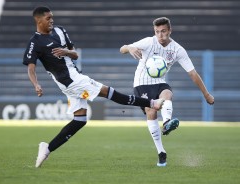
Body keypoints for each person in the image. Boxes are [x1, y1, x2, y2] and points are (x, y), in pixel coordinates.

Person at [23, 6, 165, 168]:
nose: (52, 20)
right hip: (71, 81)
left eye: (52, 17)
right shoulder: (35, 42)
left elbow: (75, 54)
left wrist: (66, 52)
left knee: (80, 120)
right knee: (108, 92)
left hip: (74, 77)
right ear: (39, 20)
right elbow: (31, 67)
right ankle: (152, 103)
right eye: (48, 18)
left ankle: (47, 148)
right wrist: (36, 84)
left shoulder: (60, 31)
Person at [120, 17, 214, 167]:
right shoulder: (148, 42)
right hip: (141, 83)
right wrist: (130, 47)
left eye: (163, 31)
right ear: (154, 32)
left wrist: (206, 94)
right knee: (152, 111)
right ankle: (161, 152)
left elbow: (192, 73)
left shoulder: (177, 50)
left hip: (159, 82)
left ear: (170, 31)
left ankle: (167, 122)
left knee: (167, 95)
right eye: (157, 32)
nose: (160, 35)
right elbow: (122, 48)